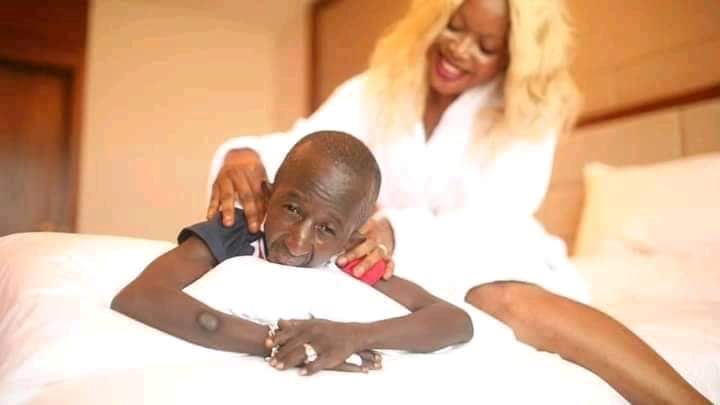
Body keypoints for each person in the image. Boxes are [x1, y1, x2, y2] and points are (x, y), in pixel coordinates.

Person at [204, 0, 710, 403]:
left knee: (500, 297)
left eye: (486, 46)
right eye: (454, 27)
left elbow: (497, 218)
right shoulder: (376, 89)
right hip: (377, 257)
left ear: (512, 57)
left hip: (485, 251)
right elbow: (307, 149)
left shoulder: (527, 114)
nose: (460, 50)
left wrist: (398, 229)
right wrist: (244, 154)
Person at [111, 131, 473, 376]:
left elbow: (455, 321)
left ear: (350, 238)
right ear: (268, 196)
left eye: (326, 230)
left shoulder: (350, 260)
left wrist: (355, 336)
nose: (298, 242)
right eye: (292, 209)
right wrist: (277, 342)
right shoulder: (235, 234)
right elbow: (141, 295)